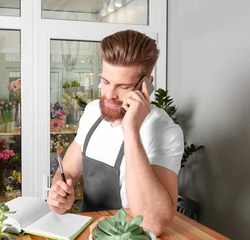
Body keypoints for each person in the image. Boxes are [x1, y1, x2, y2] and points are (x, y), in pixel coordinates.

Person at [47, 29, 184, 236]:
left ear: (146, 84)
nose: (110, 94)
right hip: (90, 232)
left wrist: (131, 130)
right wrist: (59, 192)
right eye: (105, 81)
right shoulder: (93, 111)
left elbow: (154, 224)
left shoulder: (164, 131)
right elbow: (68, 171)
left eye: (123, 86)